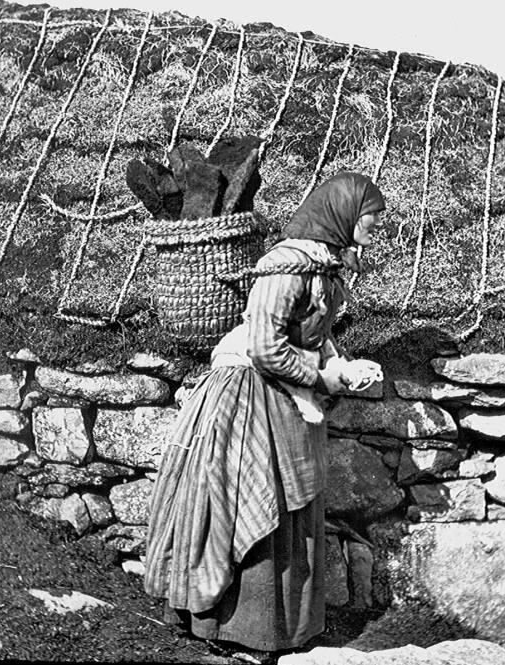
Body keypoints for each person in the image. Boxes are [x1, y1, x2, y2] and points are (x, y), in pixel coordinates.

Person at [144, 170, 386, 657]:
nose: (375, 229)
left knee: (293, 499)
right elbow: (263, 346)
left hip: (288, 393)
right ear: (342, 215)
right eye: (370, 219)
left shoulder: (327, 264)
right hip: (252, 393)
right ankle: (237, 629)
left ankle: (284, 630)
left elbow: (311, 335)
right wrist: (321, 379)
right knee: (256, 494)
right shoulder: (285, 268)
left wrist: (338, 362)